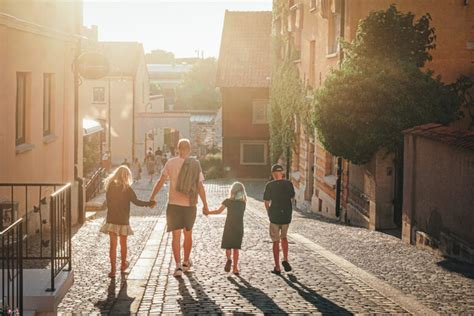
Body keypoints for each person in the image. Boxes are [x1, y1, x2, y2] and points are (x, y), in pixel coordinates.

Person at [149, 139, 209, 277]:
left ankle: (177, 267)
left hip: (174, 205)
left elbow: (161, 181)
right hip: (189, 205)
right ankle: (186, 262)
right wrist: (205, 205)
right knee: (188, 234)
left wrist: (152, 197)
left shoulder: (171, 163)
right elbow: (200, 186)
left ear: (178, 149)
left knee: (176, 236)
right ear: (189, 149)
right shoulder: (195, 164)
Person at [100, 166, 156, 278]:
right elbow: (136, 202)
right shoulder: (127, 188)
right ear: (127, 176)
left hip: (111, 219)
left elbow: (108, 202)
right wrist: (149, 203)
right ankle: (123, 265)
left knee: (112, 246)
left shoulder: (110, 186)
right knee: (123, 245)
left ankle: (112, 271)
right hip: (123, 220)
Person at [206, 182, 246, 275]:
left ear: (232, 191)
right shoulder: (243, 203)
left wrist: (208, 212)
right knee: (236, 248)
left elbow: (218, 211)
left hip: (229, 226)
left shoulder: (227, 201)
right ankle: (235, 268)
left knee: (228, 246)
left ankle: (229, 259)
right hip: (239, 226)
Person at [263, 164, 295, 275]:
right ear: (282, 173)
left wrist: (269, 212)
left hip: (274, 216)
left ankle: (277, 267)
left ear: (273, 174)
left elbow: (266, 202)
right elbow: (292, 197)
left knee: (275, 241)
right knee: (284, 238)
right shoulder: (289, 184)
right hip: (286, 215)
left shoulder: (269, 185)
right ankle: (285, 259)